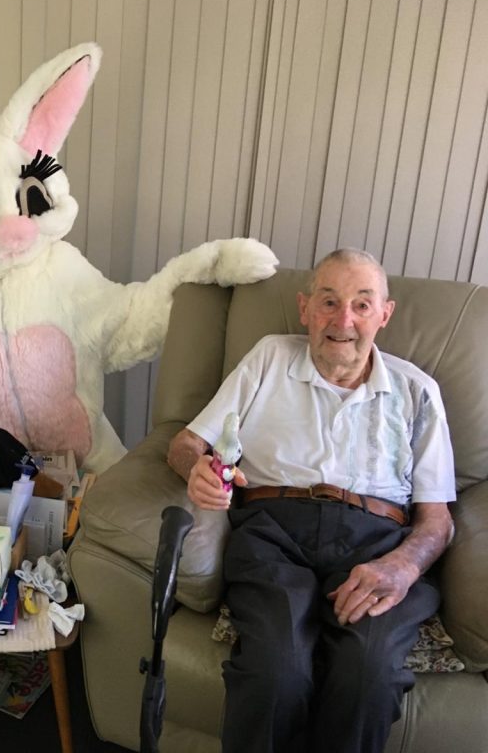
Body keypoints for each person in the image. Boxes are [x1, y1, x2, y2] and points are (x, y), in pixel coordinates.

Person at [166, 248, 455, 753]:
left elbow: (437, 521)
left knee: (367, 675)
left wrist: (402, 567)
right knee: (275, 670)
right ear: (305, 308)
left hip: (377, 544)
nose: (344, 321)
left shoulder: (418, 391)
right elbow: (186, 443)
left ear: (384, 314)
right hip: (274, 536)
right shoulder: (269, 358)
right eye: (329, 301)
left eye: (362, 304)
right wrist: (197, 470)